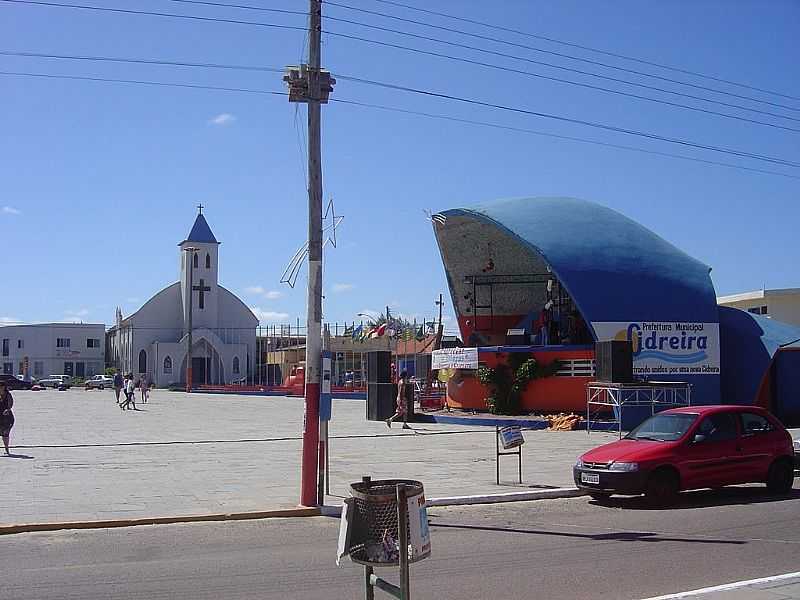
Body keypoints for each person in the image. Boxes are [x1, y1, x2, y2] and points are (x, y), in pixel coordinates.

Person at [1, 380, 15, 455]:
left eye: (2, 386)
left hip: (7, 417)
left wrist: (8, 409)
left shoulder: (8, 394)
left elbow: (10, 404)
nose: (0, 388)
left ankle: (7, 449)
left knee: (5, 433)